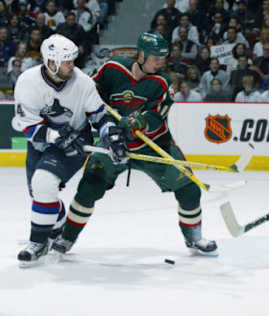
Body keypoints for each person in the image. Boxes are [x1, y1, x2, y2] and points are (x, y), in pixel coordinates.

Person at [52, 32, 218, 256]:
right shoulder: (112, 69)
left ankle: (194, 238)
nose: (161, 62)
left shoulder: (163, 82)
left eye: (163, 58)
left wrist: (140, 121)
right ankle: (67, 238)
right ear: (141, 54)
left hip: (153, 144)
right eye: (155, 57)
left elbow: (158, 116)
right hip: (113, 144)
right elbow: (90, 91)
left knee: (189, 189)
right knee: (88, 188)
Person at [11, 34, 127, 266]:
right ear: (51, 62)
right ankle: (56, 227)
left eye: (73, 60)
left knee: (44, 183)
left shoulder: (82, 82)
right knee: (39, 193)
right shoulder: (27, 82)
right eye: (66, 62)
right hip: (42, 140)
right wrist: (55, 136)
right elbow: (27, 126)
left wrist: (111, 136)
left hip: (76, 139)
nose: (72, 65)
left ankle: (38, 242)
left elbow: (100, 116)